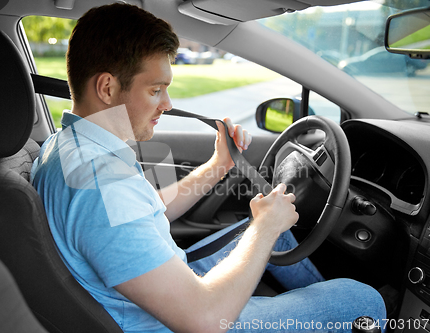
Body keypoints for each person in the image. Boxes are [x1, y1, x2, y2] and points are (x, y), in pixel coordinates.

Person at [31, 3, 386, 332]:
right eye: (156, 90)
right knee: (363, 301)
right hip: (180, 319)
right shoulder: (100, 183)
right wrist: (263, 226)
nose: (167, 105)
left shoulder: (67, 146)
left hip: (162, 282)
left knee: (277, 232)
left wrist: (219, 165)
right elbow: (203, 320)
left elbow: (149, 210)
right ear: (107, 88)